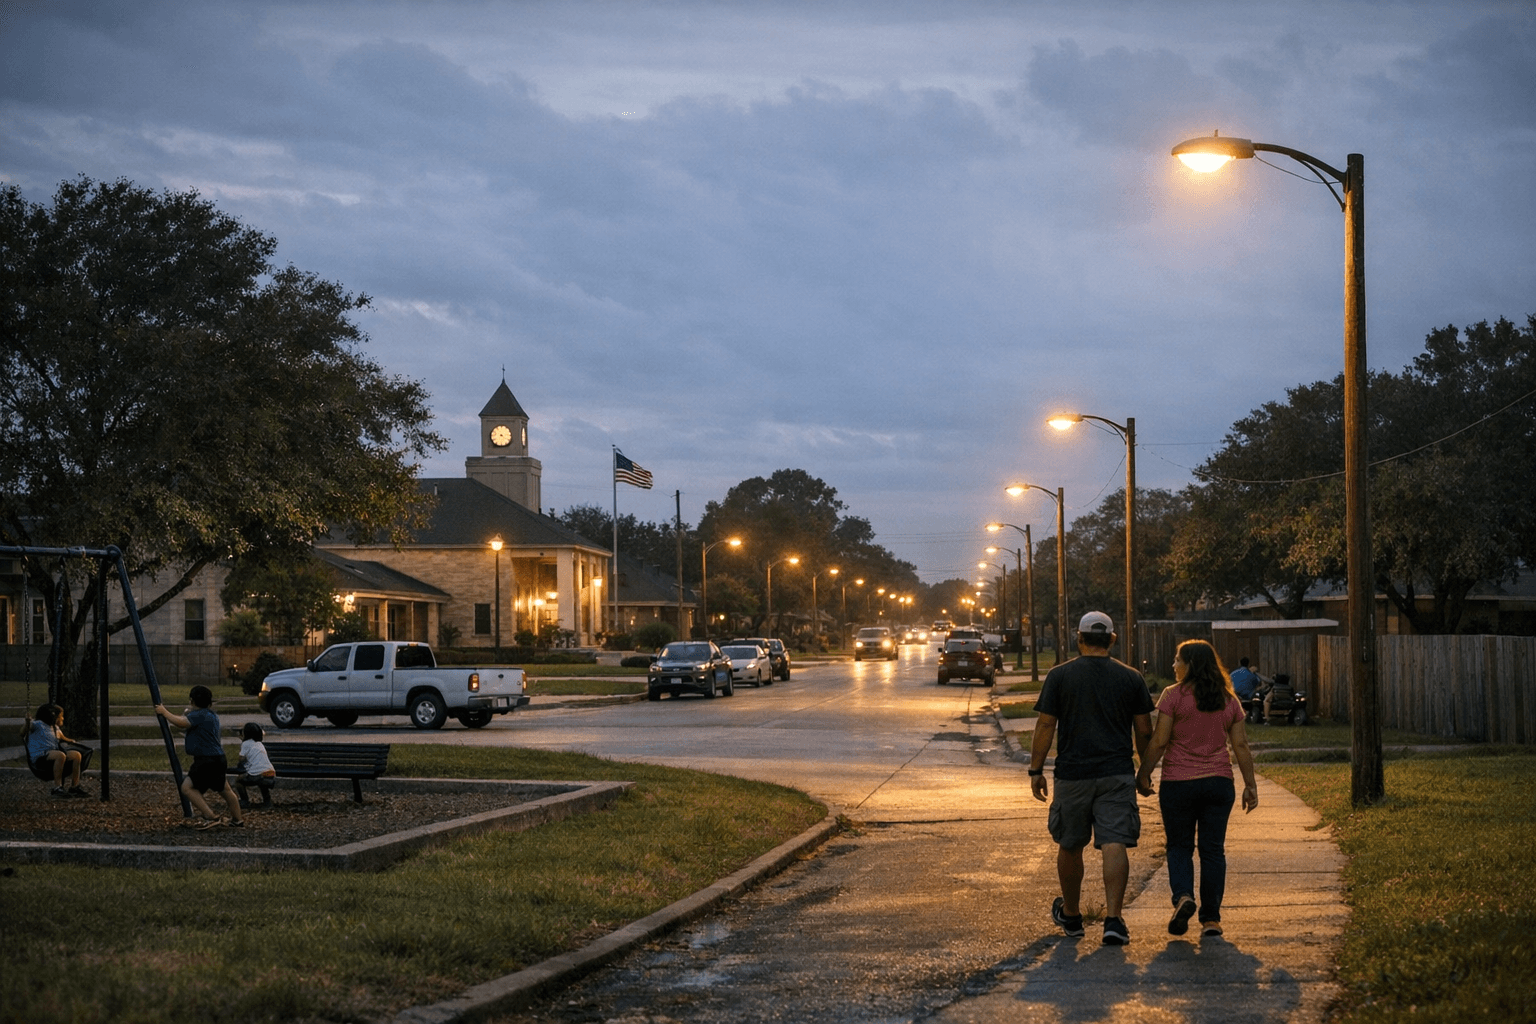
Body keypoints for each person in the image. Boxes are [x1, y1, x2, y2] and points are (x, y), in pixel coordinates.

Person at [1030, 611, 1155, 946]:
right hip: (1116, 773)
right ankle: (1113, 920)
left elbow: (1045, 726)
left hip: (1072, 775)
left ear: (1079, 638)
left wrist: (1035, 769)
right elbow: (1144, 730)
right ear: (1112, 639)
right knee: (1114, 841)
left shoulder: (1059, 676)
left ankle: (1072, 915)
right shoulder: (1131, 678)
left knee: (1070, 843)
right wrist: (1144, 772)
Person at [1136, 639, 1259, 938]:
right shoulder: (1229, 700)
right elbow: (1240, 745)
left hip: (1179, 784)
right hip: (1218, 784)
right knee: (1213, 851)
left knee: (1179, 847)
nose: (1174, 665)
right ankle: (1211, 920)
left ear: (1191, 664)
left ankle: (1183, 897)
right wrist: (1250, 785)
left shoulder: (1173, 696)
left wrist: (1144, 773)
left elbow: (1160, 741)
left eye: (1178, 660)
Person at [154, 685, 245, 829]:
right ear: (210, 702)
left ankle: (210, 816)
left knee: (187, 788)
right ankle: (237, 819)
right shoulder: (212, 715)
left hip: (205, 760)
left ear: (192, 701)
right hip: (218, 759)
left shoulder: (199, 715)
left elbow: (181, 723)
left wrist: (164, 712)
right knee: (225, 790)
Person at [22, 703, 88, 797]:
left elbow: (62, 737)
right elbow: (22, 733)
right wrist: (27, 722)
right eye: (61, 716)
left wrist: (71, 741)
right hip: (40, 757)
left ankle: (75, 786)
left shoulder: (55, 727)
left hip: (52, 754)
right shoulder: (37, 725)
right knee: (60, 755)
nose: (63, 719)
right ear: (53, 716)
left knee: (76, 755)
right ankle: (57, 787)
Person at [234, 721, 277, 809]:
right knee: (262, 780)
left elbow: (241, 759)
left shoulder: (245, 744)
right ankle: (267, 802)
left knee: (238, 781)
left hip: (258, 774)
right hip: (270, 772)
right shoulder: (259, 744)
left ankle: (245, 800)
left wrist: (242, 743)